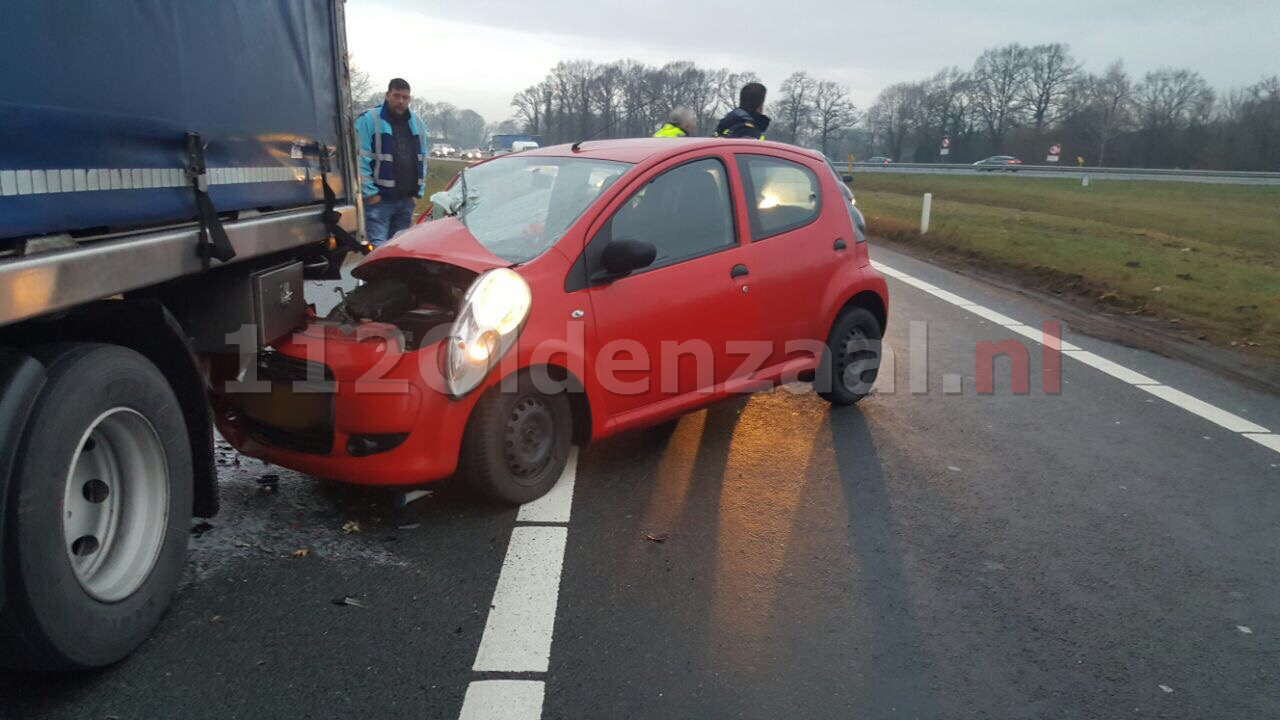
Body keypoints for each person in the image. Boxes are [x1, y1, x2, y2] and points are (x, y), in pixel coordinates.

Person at [355, 78, 428, 248]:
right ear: (387, 95)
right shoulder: (369, 120)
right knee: (378, 252)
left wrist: (418, 192)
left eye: (405, 97)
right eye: (396, 96)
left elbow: (422, 159)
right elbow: (359, 159)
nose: (400, 101)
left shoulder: (417, 123)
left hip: (406, 200)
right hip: (379, 200)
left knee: (399, 251)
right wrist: (370, 194)